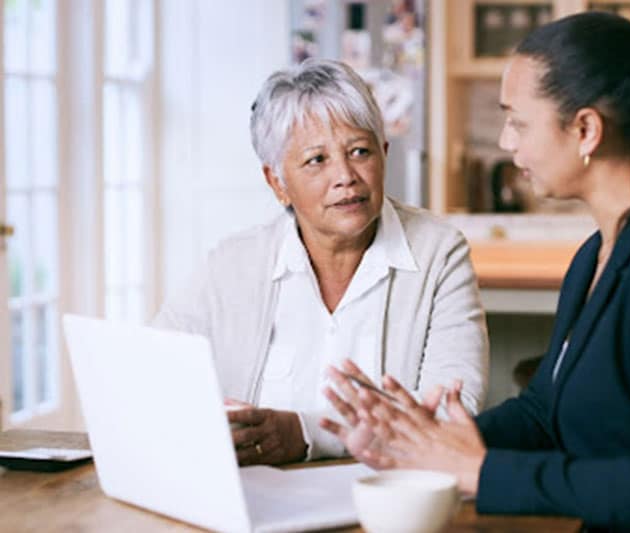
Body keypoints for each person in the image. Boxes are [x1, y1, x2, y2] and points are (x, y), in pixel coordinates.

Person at [322, 13, 630, 532]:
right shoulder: (598, 252)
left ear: (586, 129)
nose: (505, 140)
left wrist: (480, 471)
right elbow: (546, 409)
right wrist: (429, 439)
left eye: (519, 122)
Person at [153, 58, 489, 465]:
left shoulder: (439, 252)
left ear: (383, 155)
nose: (345, 175)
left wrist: (305, 433)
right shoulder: (233, 264)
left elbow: (455, 405)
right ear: (277, 182)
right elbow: (156, 370)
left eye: (359, 151)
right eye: (317, 160)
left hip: (390, 498)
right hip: (256, 502)